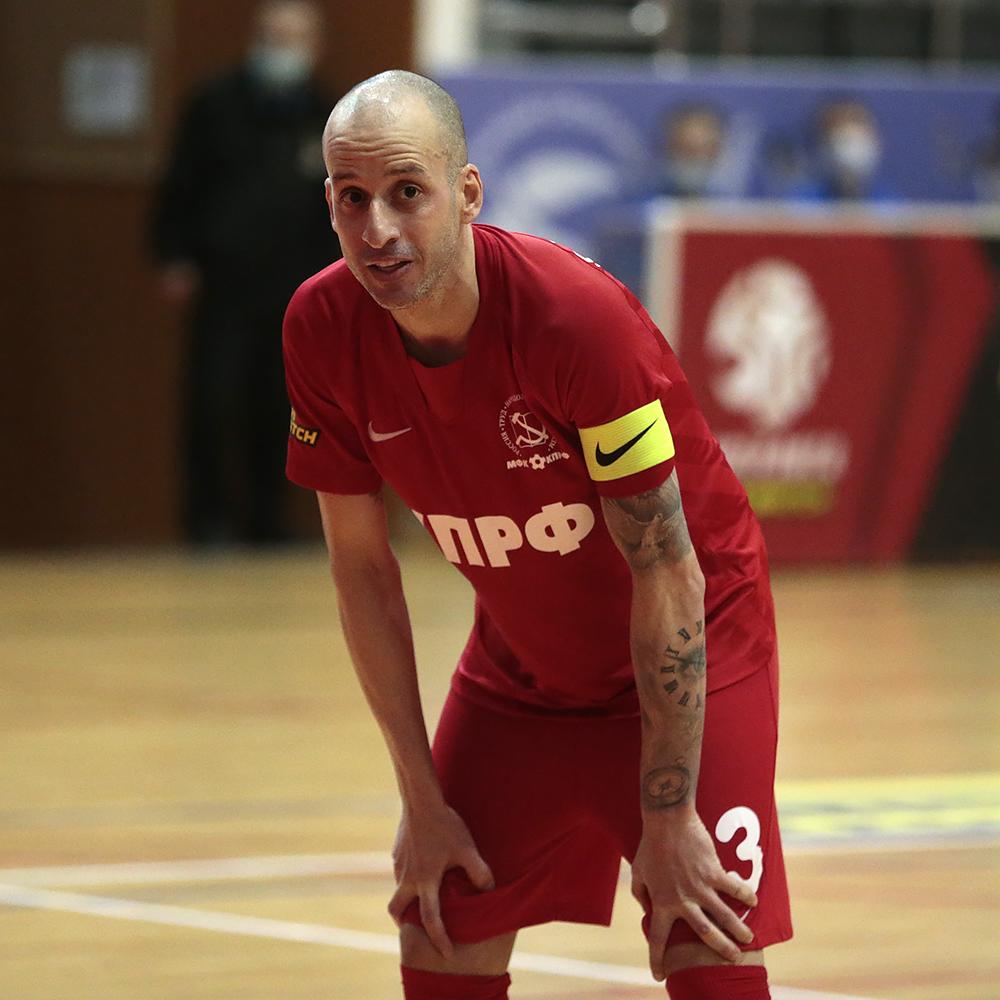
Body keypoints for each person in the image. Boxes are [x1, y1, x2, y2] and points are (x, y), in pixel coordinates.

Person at [284, 70, 792, 999]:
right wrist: (421, 798)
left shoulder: (575, 319)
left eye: (407, 192)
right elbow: (361, 570)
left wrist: (669, 814)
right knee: (441, 922)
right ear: (329, 205)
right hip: (524, 669)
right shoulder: (320, 327)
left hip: (696, 643)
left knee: (703, 937)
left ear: (467, 193)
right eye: (353, 199)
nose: (378, 229)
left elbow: (668, 568)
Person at [152, 0, 341, 545]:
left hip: (294, 285)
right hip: (224, 279)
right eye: (273, 36)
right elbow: (180, 185)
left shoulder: (328, 115)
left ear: (315, 46)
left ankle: (267, 521)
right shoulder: (214, 104)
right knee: (214, 400)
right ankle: (207, 520)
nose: (283, 48)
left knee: (278, 404)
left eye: (294, 38)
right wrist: (174, 255)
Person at [658, 105, 728, 199]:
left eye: (704, 150)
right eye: (686, 149)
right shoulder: (647, 205)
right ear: (668, 147)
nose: (693, 159)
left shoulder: (734, 204)